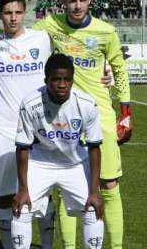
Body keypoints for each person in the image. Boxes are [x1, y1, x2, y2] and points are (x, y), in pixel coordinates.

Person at [0, 0, 130, 249]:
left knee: (95, 187)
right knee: (24, 194)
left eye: (82, 0)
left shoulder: (66, 35)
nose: (77, 6)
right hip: (28, 124)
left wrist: (110, 80)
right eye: (72, 1)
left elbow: (107, 62)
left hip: (73, 121)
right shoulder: (18, 38)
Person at [0, 0, 56, 249]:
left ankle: (46, 245)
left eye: (18, 12)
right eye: (8, 13)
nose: (13, 18)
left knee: (43, 194)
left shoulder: (42, 40)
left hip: (39, 130)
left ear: (25, 13)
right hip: (5, 130)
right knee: (5, 194)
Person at [12, 53, 104, 249]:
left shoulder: (86, 104)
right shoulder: (30, 103)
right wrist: (22, 189)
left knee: (93, 209)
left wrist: (94, 191)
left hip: (75, 163)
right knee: (22, 209)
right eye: (56, 79)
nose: (62, 84)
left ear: (72, 80)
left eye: (67, 79)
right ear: (46, 80)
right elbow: (22, 147)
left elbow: (95, 147)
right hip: (40, 162)